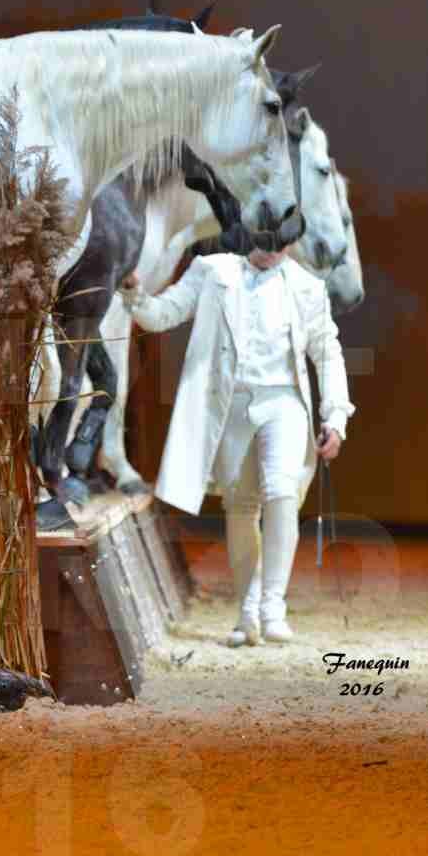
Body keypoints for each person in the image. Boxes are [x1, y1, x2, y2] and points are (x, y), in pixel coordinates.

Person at [122, 244, 353, 644]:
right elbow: (162, 315)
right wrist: (134, 294)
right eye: (264, 241)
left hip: (283, 401)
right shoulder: (213, 272)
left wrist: (335, 415)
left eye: (279, 244)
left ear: (289, 245)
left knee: (281, 492)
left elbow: (327, 351)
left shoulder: (306, 286)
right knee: (241, 504)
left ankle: (272, 605)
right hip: (230, 404)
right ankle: (248, 609)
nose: (271, 251)